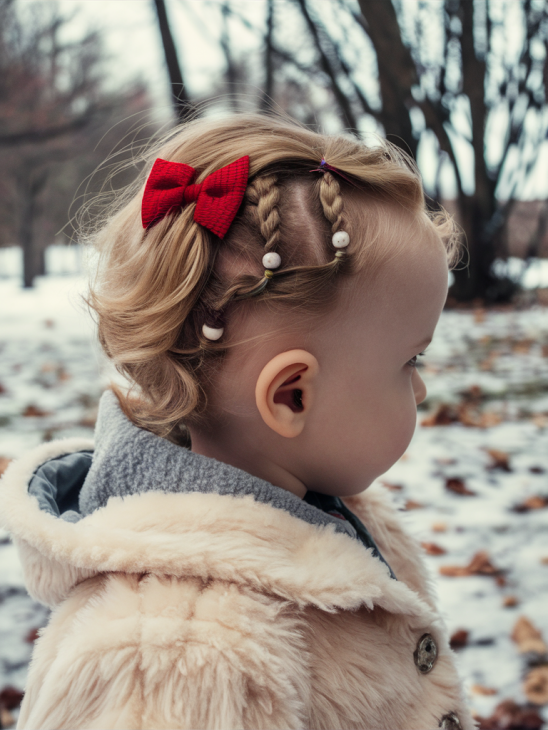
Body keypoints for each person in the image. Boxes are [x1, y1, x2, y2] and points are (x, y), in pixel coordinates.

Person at [1, 112, 473, 730]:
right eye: (410, 358)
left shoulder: (325, 515)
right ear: (292, 397)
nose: (422, 385)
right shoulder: (179, 657)